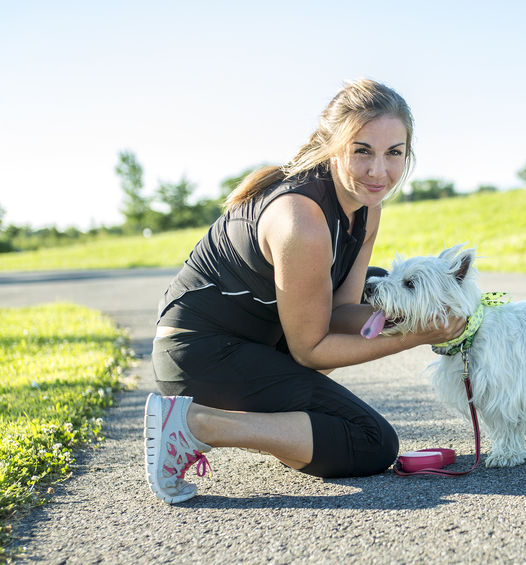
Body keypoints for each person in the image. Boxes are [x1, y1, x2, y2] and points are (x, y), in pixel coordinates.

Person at [144, 79, 466, 504]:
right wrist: (417, 337)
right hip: (200, 357)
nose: (379, 171)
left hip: (252, 346)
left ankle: (284, 433)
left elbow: (341, 313)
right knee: (371, 442)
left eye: (395, 153)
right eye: (362, 150)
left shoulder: (366, 208)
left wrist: (417, 315)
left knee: (381, 284)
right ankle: (194, 424)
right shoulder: (302, 220)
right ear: (333, 146)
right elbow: (312, 350)